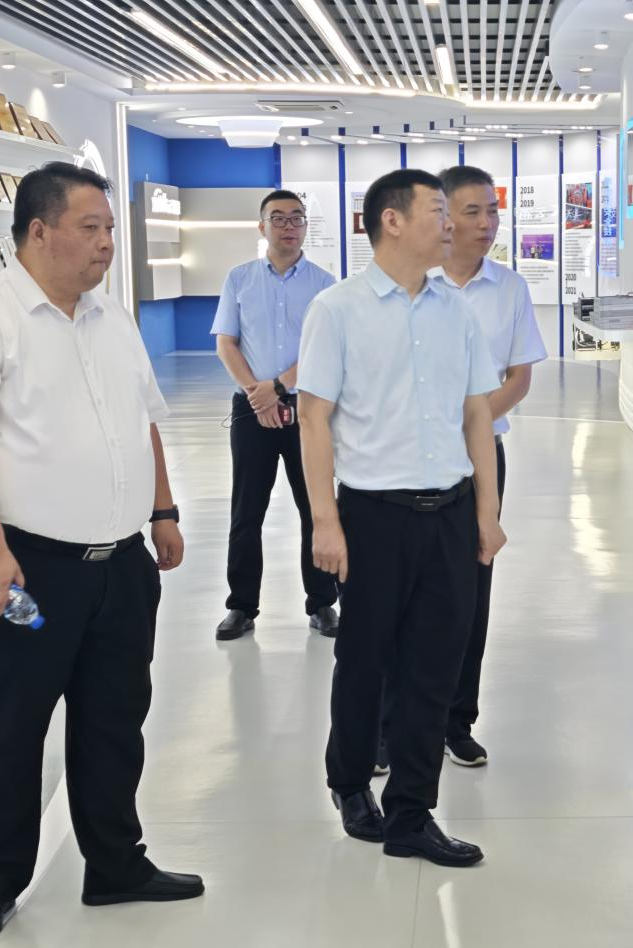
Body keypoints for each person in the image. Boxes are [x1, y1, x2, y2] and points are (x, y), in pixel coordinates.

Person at [0, 162, 202, 945]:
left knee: (115, 719)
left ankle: (116, 864)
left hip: (120, 568)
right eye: (91, 228)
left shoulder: (111, 317)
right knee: (13, 722)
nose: (108, 242)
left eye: (109, 228)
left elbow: (143, 421)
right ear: (39, 231)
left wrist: (163, 511)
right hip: (26, 571)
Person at [298, 168, 505, 867]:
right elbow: (313, 419)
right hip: (372, 516)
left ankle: (413, 812)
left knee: (434, 665)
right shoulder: (337, 309)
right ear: (392, 220)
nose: (450, 224)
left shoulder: (457, 310)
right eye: (438, 211)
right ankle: (352, 784)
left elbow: (477, 414)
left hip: (449, 514)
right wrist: (325, 522)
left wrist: (486, 512)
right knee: (365, 660)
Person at [429, 165, 547, 766]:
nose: (486, 223)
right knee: (408, 592)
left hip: (481, 458)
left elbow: (519, 376)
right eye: (472, 211)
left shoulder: (509, 287)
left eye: (493, 211)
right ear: (443, 217)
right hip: (413, 455)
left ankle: (457, 719)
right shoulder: (411, 283)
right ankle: (392, 725)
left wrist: (472, 425)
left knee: (472, 587)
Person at [211, 190, 340, 641]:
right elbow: (226, 343)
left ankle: (322, 602)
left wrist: (278, 389)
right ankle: (241, 606)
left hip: (309, 409)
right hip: (252, 409)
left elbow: (326, 349)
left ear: (305, 226)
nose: (289, 226)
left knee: (315, 506)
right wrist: (258, 395)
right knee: (247, 512)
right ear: (261, 226)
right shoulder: (239, 279)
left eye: (297, 218)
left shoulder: (325, 284)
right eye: (279, 218)